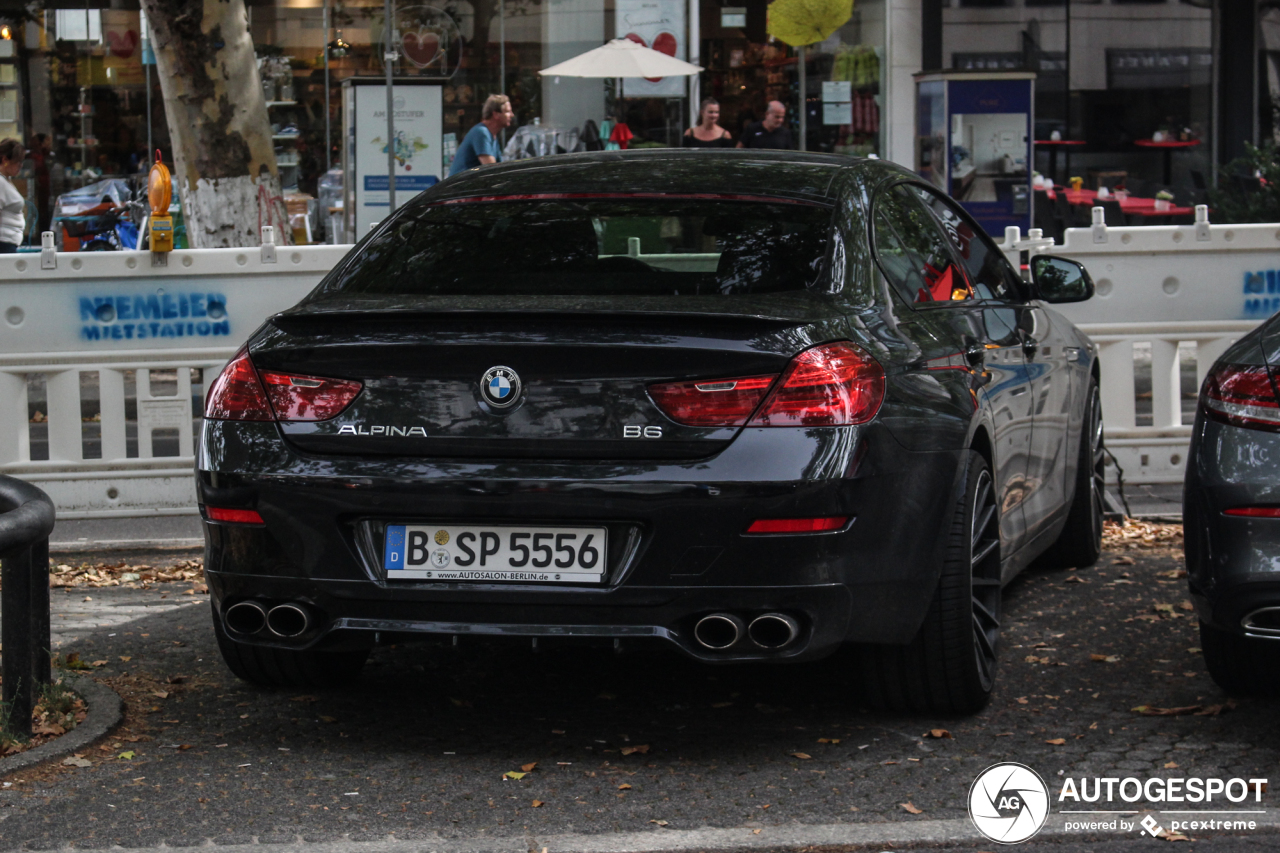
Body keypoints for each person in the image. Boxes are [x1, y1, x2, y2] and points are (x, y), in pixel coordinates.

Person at [449, 94, 514, 176]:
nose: (512, 115)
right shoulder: (481, 133)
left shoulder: (492, 135)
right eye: (508, 111)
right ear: (496, 114)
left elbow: (499, 166)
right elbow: (492, 170)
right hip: (460, 187)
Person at [0, 138, 26, 253]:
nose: (20, 166)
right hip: (4, 242)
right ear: (5, 159)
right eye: (17, 162)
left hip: (9, 241)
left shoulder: (7, 180)